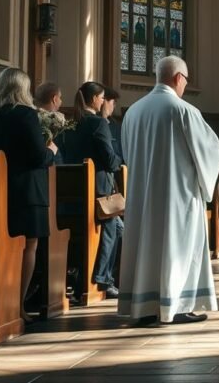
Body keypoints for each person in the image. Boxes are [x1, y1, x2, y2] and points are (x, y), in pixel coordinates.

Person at [119, 56, 219, 326]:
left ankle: (144, 306)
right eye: (186, 80)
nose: (185, 86)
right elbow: (209, 151)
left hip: (142, 195)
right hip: (178, 197)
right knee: (179, 246)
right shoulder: (183, 110)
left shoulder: (133, 111)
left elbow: (127, 155)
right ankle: (176, 305)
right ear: (178, 78)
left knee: (145, 246)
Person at [0, 68, 58, 323]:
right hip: (27, 191)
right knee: (28, 246)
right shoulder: (25, 114)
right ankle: (17, 305)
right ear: (23, 88)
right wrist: (51, 149)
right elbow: (37, 156)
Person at [64, 81, 124, 298]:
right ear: (93, 99)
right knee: (112, 229)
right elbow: (109, 159)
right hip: (98, 192)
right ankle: (101, 280)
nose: (102, 101)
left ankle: (91, 277)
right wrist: (122, 162)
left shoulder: (70, 123)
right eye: (101, 97)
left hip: (70, 191)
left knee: (119, 230)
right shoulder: (98, 123)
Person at [101, 87, 123, 162]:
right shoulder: (94, 123)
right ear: (104, 101)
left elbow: (120, 153)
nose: (114, 106)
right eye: (114, 102)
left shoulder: (115, 126)